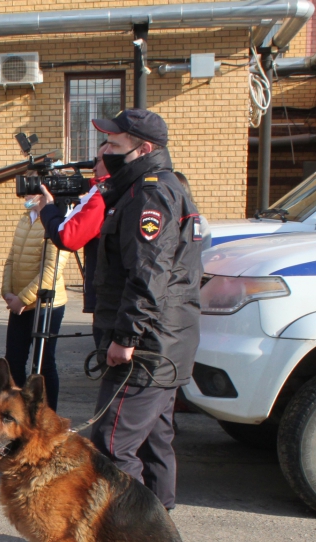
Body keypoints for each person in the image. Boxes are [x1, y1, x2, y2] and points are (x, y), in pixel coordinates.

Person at [87, 108, 204, 510]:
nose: (105, 150)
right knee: (155, 443)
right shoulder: (149, 189)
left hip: (148, 347)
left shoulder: (151, 194)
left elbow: (148, 273)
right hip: (165, 343)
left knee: (112, 445)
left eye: (114, 144)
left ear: (144, 148)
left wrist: (125, 337)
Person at [37, 142, 111, 345]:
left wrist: (48, 208)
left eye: (98, 161)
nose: (93, 168)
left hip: (111, 302)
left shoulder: (104, 192)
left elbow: (67, 238)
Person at [1, 196, 70, 408]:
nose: (26, 195)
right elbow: (13, 257)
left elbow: (52, 269)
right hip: (18, 304)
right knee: (13, 361)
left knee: (43, 364)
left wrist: (23, 298)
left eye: (33, 186)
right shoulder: (26, 218)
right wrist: (8, 292)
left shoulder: (58, 219)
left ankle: (47, 416)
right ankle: (18, 413)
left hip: (46, 305)